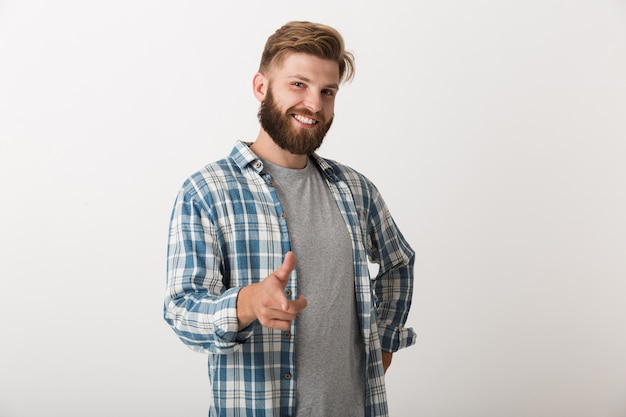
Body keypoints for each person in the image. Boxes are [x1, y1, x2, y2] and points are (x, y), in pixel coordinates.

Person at [164, 21, 416, 417]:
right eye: (298, 84)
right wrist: (248, 303)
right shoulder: (206, 192)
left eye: (327, 91)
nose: (314, 105)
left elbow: (398, 262)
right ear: (261, 87)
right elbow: (181, 310)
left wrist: (384, 342)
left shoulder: (356, 188)